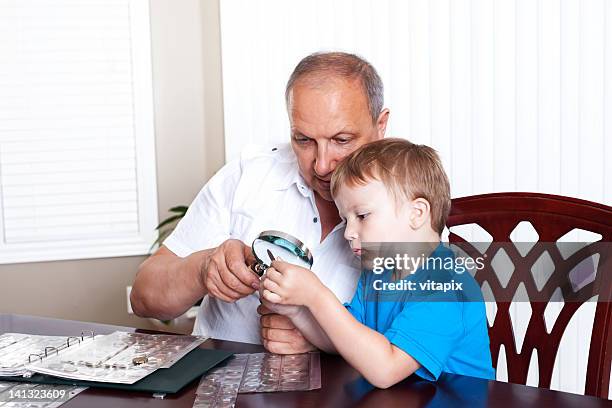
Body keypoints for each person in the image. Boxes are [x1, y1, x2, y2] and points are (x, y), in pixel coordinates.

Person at [130, 52, 390, 351]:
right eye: (304, 140)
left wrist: (322, 340)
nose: (321, 165)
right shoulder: (249, 173)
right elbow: (143, 298)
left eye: (342, 140)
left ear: (380, 125)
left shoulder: (408, 205)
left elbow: (422, 345)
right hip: (218, 386)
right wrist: (202, 270)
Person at [260, 138, 495, 388]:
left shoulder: (445, 288)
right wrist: (298, 310)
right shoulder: (378, 273)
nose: (349, 232)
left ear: (416, 214)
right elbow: (345, 342)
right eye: (345, 219)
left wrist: (317, 296)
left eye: (362, 216)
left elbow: (386, 370)